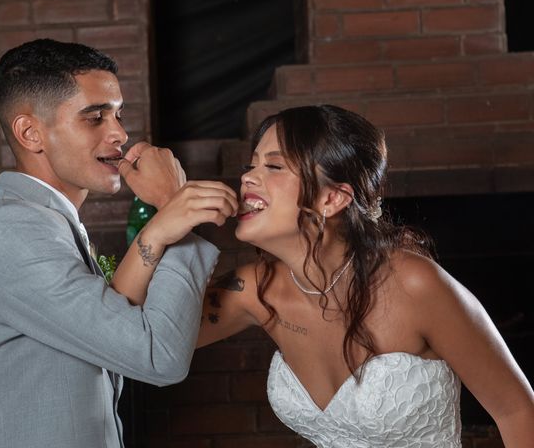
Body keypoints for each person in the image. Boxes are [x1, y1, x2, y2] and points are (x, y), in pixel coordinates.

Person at [0, 38, 238, 448]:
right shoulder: (10, 232)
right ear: (31, 133)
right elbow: (158, 355)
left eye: (118, 115)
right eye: (95, 117)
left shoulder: (47, 223)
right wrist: (173, 207)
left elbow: (116, 327)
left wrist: (165, 222)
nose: (119, 134)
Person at [195, 105, 534, 447]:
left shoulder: (413, 283)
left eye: (273, 166)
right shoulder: (256, 289)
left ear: (332, 198)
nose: (248, 177)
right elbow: (153, 340)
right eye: (250, 165)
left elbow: (517, 411)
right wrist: (171, 215)